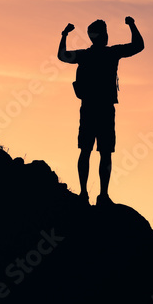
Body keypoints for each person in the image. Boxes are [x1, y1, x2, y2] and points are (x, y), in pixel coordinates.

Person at [58, 16, 143, 205]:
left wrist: (64, 35)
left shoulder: (85, 55)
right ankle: (102, 195)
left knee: (87, 151)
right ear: (102, 36)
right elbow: (138, 45)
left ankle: (84, 194)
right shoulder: (112, 53)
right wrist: (132, 25)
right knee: (104, 152)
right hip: (104, 109)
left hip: (88, 108)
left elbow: (62, 55)